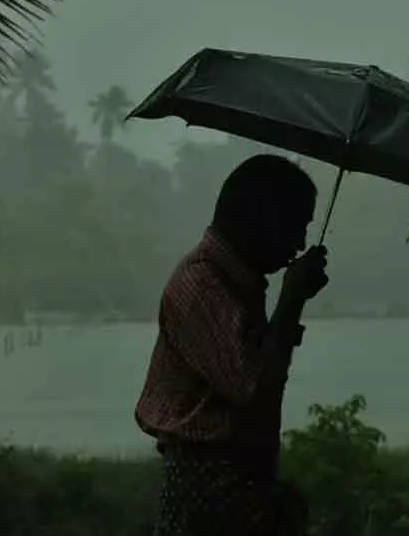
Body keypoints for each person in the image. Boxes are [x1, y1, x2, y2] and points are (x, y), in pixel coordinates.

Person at [136, 153, 331, 536]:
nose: (300, 242)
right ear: (263, 218)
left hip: (235, 483)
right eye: (296, 225)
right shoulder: (202, 286)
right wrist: (291, 301)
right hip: (208, 487)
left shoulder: (237, 285)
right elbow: (252, 387)